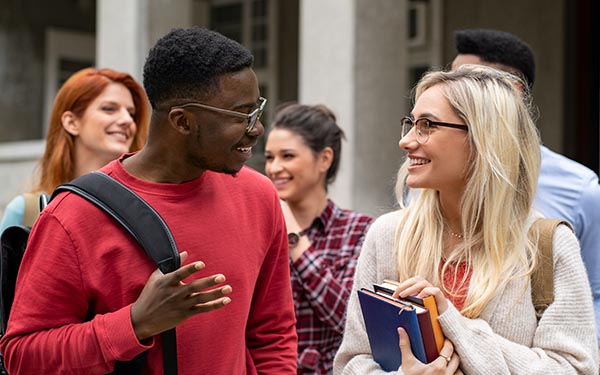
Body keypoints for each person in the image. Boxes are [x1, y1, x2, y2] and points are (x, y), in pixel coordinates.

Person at [0, 26, 297, 374]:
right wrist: (135, 324)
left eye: (257, 109)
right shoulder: (73, 217)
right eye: (242, 114)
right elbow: (21, 356)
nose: (257, 128)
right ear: (182, 121)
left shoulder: (258, 197)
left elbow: (272, 334)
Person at [333, 65, 598, 374]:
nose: (406, 141)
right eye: (410, 123)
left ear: (483, 136)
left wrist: (453, 322)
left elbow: (575, 369)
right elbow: (351, 362)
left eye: (427, 125)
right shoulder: (389, 235)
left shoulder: (548, 243)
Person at [451, 28, 600, 345]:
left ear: (513, 92)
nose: (447, 93)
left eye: (465, 83)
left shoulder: (581, 191)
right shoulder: (427, 179)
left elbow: (596, 292)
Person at [264, 103, 374, 374]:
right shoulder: (258, 231)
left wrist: (293, 236)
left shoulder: (359, 231)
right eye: (269, 157)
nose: (274, 168)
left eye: (287, 156)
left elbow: (349, 320)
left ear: (324, 159)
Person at [0, 67, 150, 232]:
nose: (127, 120)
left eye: (132, 113)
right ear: (71, 123)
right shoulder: (27, 211)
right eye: (109, 109)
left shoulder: (145, 212)